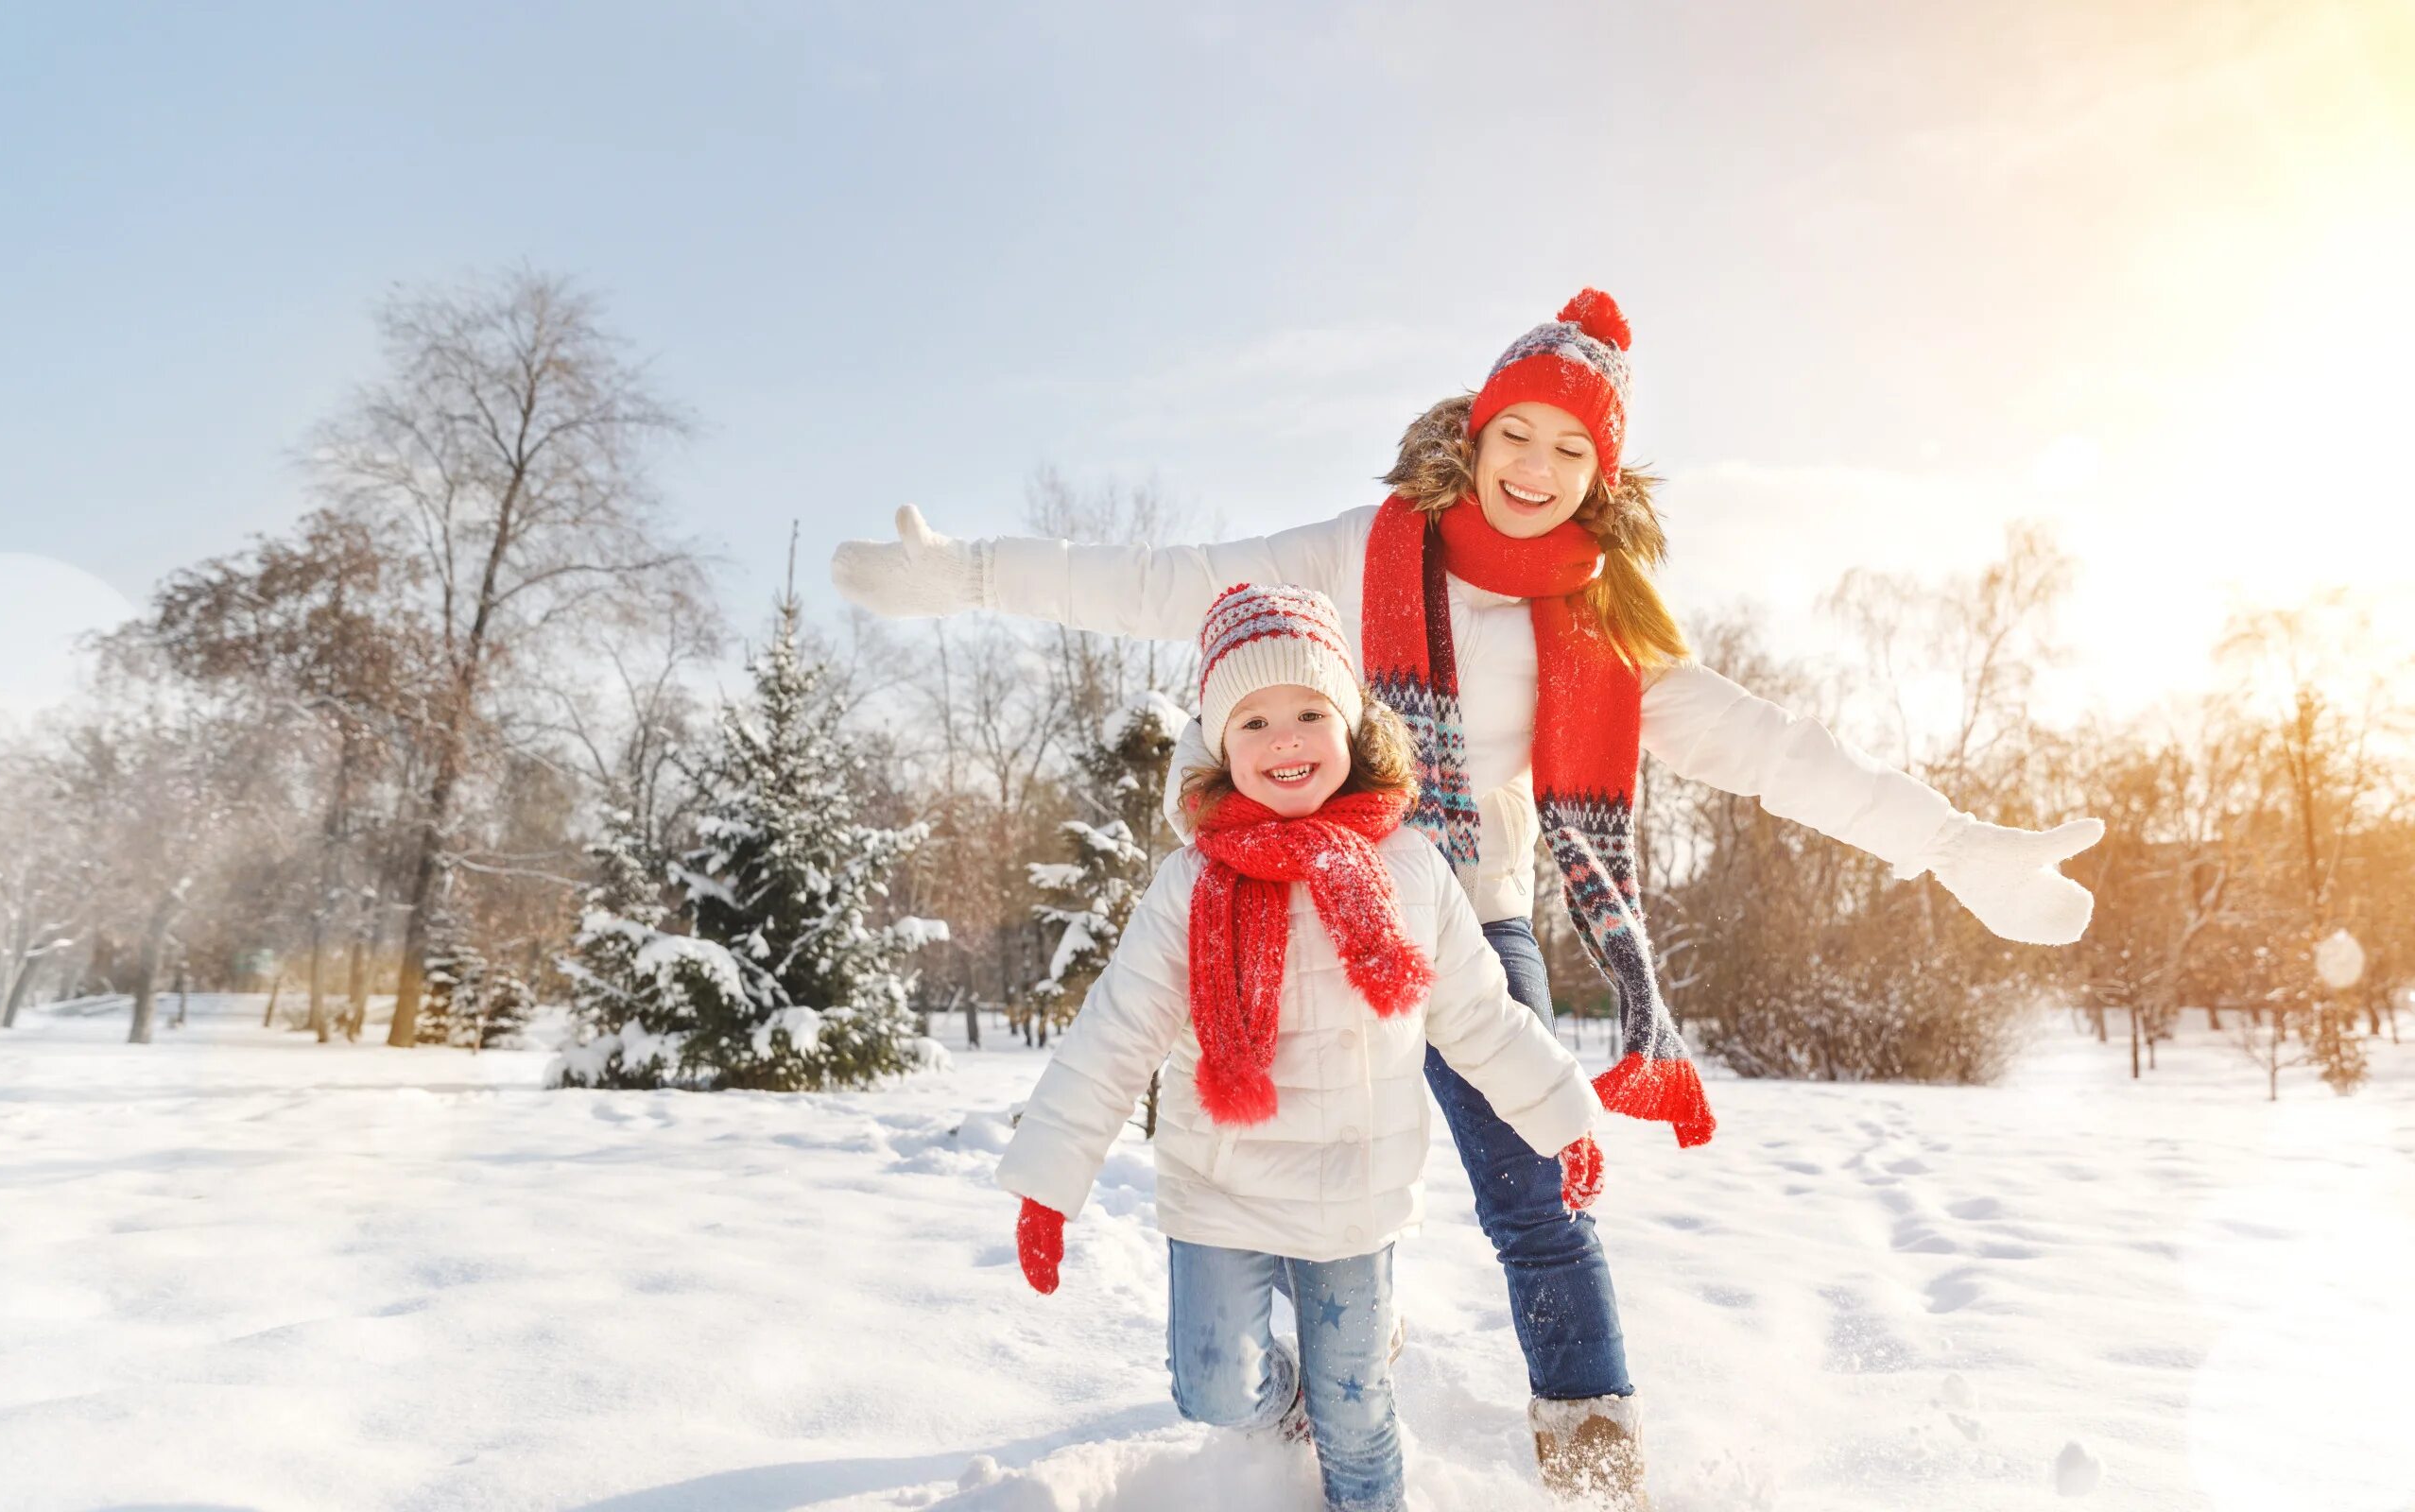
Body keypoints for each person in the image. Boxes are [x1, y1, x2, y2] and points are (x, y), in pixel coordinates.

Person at [840, 289, 2102, 1505]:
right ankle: (1300, 1386)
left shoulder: (1607, 634)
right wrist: (970, 577)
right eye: (1519, 433)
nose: (1538, 466)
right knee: (1273, 1148)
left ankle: (1598, 1466)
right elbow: (1175, 581)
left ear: (1601, 475)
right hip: (1289, 897)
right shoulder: (1359, 550)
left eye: (1571, 448)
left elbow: (1780, 753)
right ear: (1475, 430)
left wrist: (1951, 847)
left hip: (1469, 917)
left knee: (1532, 1196)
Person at [994, 582, 1607, 1512]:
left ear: (1353, 725)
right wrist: (1050, 1176)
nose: (1285, 738)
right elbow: (1118, 1028)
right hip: (1220, 1183)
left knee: (1359, 1418)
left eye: (1310, 711)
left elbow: (1479, 1016)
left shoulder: (1409, 866)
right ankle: (1288, 1401)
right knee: (1211, 1386)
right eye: (1253, 720)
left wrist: (1561, 1118)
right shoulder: (1190, 880)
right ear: (1217, 744)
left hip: (1354, 1197)